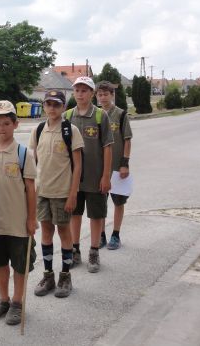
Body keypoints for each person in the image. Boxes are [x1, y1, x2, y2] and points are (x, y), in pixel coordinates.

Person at [0, 101, 37, 325]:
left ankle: (17, 302)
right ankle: (3, 299)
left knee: (19, 264)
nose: (2, 128)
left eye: (7, 123)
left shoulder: (24, 154)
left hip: (18, 223)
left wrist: (32, 218)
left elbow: (31, 189)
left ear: (16, 124)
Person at [29, 91, 83, 298]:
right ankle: (48, 275)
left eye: (56, 104)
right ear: (44, 106)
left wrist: (73, 194)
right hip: (42, 191)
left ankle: (65, 276)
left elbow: (77, 165)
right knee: (46, 232)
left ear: (63, 107)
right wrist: (31, 191)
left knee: (64, 232)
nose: (52, 108)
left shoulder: (71, 130)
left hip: (62, 192)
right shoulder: (38, 129)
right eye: (48, 104)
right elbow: (34, 163)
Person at [67, 76, 113, 273]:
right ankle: (74, 250)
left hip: (95, 178)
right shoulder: (67, 116)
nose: (80, 94)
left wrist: (106, 177)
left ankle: (94, 251)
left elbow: (108, 148)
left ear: (92, 94)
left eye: (84, 90)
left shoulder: (100, 116)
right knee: (74, 215)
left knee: (96, 215)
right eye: (77, 90)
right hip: (73, 180)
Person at [96, 81, 133, 250]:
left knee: (118, 202)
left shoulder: (120, 114)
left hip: (117, 167)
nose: (103, 97)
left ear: (112, 95)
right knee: (100, 204)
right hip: (98, 168)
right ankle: (101, 235)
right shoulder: (94, 114)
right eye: (100, 94)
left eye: (106, 94)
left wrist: (124, 163)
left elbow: (127, 140)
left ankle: (115, 235)